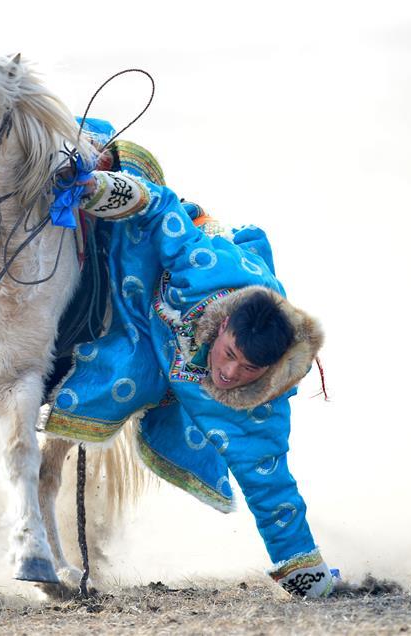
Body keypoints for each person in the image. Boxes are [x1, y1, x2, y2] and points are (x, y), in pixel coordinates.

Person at [43, 123, 336, 598]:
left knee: (130, 377)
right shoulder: (205, 270)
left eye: (249, 370)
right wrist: (97, 185)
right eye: (231, 355)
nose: (230, 373)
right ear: (224, 325)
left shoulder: (255, 405)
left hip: (151, 355)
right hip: (147, 271)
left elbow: (272, 488)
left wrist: (311, 580)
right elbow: (162, 207)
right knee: (99, 158)